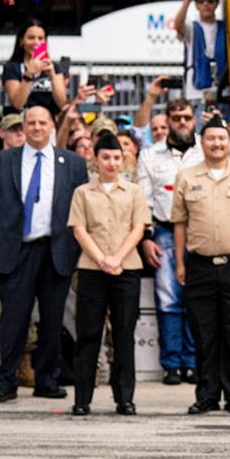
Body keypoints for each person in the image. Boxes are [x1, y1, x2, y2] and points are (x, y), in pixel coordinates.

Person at [137, 98, 230, 385]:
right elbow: (143, 201)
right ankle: (172, 363)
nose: (182, 123)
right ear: (168, 121)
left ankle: (195, 362)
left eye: (187, 117)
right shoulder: (150, 155)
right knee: (169, 299)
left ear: (194, 119)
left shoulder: (209, 145)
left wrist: (227, 128)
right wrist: (147, 238)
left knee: (199, 301)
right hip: (164, 230)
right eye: (176, 118)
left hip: (203, 232)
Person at [170, 116, 230, 415]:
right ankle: (207, 395)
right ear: (202, 143)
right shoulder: (187, 177)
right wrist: (179, 262)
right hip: (199, 265)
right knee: (203, 333)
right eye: (211, 139)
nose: (216, 144)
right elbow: (179, 224)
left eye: (222, 139)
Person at [0, 106, 86, 403]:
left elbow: (81, 210)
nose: (36, 128)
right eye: (30, 123)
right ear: (23, 127)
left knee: (52, 319)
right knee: (14, 320)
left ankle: (47, 379)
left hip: (56, 249)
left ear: (52, 125)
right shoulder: (2, 161)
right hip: (16, 249)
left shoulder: (72, 163)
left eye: (41, 122)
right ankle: (6, 380)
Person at [67, 134, 150, 416]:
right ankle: (82, 398)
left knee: (124, 333)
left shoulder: (134, 191)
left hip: (127, 268)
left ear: (123, 159)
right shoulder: (83, 192)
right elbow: (79, 230)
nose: (112, 163)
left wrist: (117, 257)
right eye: (106, 157)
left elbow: (138, 228)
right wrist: (102, 259)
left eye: (116, 157)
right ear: (96, 159)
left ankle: (124, 397)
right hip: (92, 269)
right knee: (89, 333)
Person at [1, 19, 69, 116]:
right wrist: (29, 74)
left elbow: (62, 104)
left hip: (48, 123)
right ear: (21, 41)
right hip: (22, 123)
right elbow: (18, 104)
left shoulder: (55, 67)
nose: (36, 42)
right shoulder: (12, 67)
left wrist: (53, 76)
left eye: (40, 38)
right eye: (31, 38)